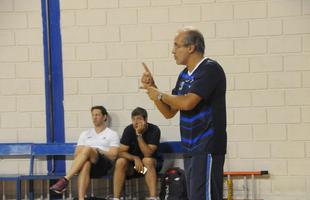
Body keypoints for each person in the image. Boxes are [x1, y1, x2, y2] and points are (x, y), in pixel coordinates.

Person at [141, 27, 227, 200]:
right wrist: (153, 90)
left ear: (191, 47)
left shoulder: (210, 69)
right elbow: (169, 111)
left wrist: (159, 94)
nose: (173, 51)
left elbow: (188, 103)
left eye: (176, 45)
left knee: (205, 196)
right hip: (190, 147)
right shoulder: (183, 75)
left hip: (207, 146)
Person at [50, 106, 120, 200]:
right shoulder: (85, 134)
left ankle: (65, 179)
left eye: (97, 115)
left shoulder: (112, 134)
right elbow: (77, 154)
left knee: (87, 149)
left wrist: (97, 150)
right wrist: (89, 152)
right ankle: (81, 198)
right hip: (88, 165)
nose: (94, 117)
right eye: (93, 115)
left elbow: (113, 155)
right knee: (86, 163)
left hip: (104, 165)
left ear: (104, 117)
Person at [113, 107, 162, 200]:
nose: (136, 122)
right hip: (135, 167)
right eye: (133, 119)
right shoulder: (128, 129)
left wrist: (139, 135)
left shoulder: (154, 130)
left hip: (149, 168)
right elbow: (120, 152)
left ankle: (153, 197)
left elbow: (148, 153)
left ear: (146, 120)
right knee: (120, 162)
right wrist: (135, 158)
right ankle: (116, 198)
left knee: (147, 160)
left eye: (139, 119)